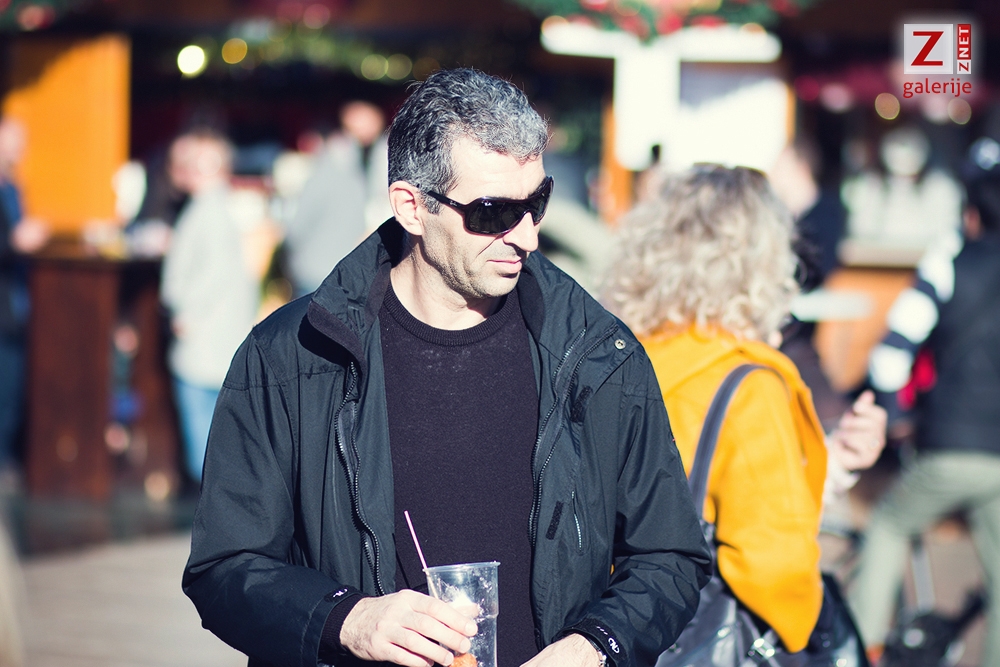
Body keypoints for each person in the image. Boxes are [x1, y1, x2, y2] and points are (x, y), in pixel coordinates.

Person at [183, 68, 711, 667]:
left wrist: (594, 647)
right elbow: (224, 567)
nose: (527, 237)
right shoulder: (291, 355)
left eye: (536, 204)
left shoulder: (597, 354)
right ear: (412, 208)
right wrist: (348, 620)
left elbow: (670, 558)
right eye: (492, 212)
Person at [601, 164, 887, 656]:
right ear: (766, 262)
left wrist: (833, 459)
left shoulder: (617, 355)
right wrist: (809, 627)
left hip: (614, 624)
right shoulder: (747, 384)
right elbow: (773, 560)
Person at [847, 137, 1000, 665]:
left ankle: (861, 646)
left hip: (949, 442)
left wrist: (896, 414)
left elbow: (892, 352)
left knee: (889, 525)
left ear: (971, 211)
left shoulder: (950, 263)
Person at [160, 129, 260, 482]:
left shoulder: (208, 209)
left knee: (204, 438)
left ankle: (214, 499)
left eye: (194, 160)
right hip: (216, 338)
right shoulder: (215, 206)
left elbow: (213, 273)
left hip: (203, 339)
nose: (184, 167)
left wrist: (185, 312)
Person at [0, 116, 49, 488]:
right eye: (13, 140)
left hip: (16, 304)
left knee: (13, 388)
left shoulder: (14, 187)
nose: (20, 149)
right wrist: (14, 242)